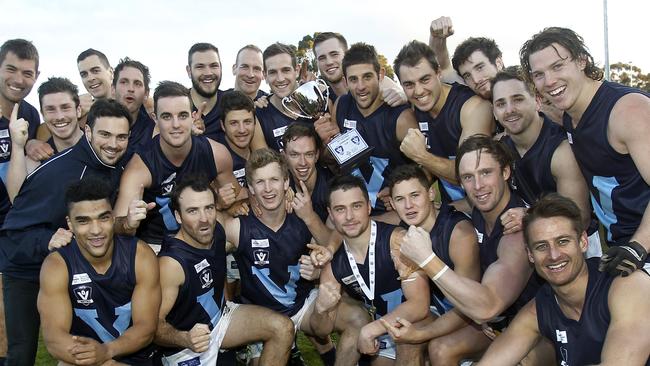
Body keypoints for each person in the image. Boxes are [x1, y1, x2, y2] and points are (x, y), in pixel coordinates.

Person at [0, 98, 131, 365]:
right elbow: (13, 230)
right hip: (26, 271)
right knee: (21, 354)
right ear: (88, 132)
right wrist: (46, 239)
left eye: (121, 137)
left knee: (86, 344)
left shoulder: (114, 163)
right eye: (105, 134)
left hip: (71, 268)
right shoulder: (61, 172)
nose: (113, 144)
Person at [395, 135, 547, 364]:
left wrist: (426, 259)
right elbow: (433, 209)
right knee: (441, 349)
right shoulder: (478, 206)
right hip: (494, 322)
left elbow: (488, 306)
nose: (478, 186)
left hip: (538, 328)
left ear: (505, 173)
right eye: (468, 177)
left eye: (486, 172)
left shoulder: (516, 232)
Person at [520, 27, 650, 276]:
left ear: (582, 60)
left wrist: (637, 247)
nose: (549, 81)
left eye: (558, 66)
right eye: (539, 74)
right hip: (623, 248)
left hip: (639, 251)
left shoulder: (628, 110)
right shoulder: (571, 115)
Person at [477, 194, 650, 365]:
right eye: (542, 246)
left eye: (562, 241)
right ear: (530, 254)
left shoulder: (626, 284)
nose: (554, 255)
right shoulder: (539, 309)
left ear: (582, 241)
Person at [155, 175, 294, 365]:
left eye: (209, 208)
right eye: (193, 211)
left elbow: (253, 221)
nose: (204, 219)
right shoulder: (171, 264)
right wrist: (185, 338)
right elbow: (153, 326)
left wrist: (285, 194)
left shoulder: (216, 229)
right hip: (187, 347)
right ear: (178, 216)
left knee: (283, 328)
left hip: (221, 319)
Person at [220, 148, 333, 364]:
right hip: (262, 314)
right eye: (260, 182)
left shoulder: (301, 215)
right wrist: (224, 205)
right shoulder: (240, 225)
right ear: (250, 187)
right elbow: (204, 229)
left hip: (301, 304)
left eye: (274, 180)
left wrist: (319, 266)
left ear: (285, 183)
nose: (268, 188)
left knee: (356, 318)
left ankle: (330, 355)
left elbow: (332, 247)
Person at [38, 176, 160, 365]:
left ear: (112, 218)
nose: (96, 230)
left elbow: (146, 328)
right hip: (82, 358)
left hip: (134, 358)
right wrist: (97, 359)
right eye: (84, 221)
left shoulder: (139, 255)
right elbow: (54, 338)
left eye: (103, 218)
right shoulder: (57, 265)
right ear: (70, 224)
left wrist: (106, 351)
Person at [310, 175, 429, 365]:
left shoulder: (396, 241)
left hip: (417, 325)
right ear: (330, 214)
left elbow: (420, 305)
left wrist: (371, 329)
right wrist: (321, 309)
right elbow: (321, 330)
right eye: (340, 209)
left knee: (406, 338)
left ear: (368, 207)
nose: (349, 217)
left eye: (356, 206)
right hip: (382, 331)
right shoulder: (333, 268)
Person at [113, 81, 243, 250]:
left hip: (202, 232)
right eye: (167, 116)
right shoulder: (140, 168)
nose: (176, 125)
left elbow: (239, 197)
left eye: (182, 115)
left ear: (193, 116)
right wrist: (128, 223)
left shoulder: (216, 153)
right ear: (155, 119)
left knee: (241, 227)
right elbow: (115, 224)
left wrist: (236, 201)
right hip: (158, 242)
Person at [491, 69, 600, 257]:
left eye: (518, 99)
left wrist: (528, 215)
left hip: (577, 246)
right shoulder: (501, 148)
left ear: (537, 101)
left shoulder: (561, 150)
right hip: (533, 241)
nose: (509, 110)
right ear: (494, 112)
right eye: (501, 103)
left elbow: (579, 216)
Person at [380, 165, 481, 354]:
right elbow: (358, 224)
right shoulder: (402, 223)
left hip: (477, 319)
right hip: (439, 311)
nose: (409, 205)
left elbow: (469, 305)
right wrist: (328, 249)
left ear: (431, 194)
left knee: (439, 350)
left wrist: (423, 334)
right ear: (393, 204)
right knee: (403, 339)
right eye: (400, 199)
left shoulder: (459, 233)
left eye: (415, 195)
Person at [314, 42, 419, 219]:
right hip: (353, 210)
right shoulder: (341, 105)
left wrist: (399, 189)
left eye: (367, 77)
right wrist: (326, 146)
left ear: (380, 75)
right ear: (346, 81)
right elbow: (334, 162)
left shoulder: (401, 117)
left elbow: (427, 168)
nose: (360, 86)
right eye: (354, 79)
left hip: (392, 212)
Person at [393, 40, 494, 204]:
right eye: (409, 84)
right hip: (455, 208)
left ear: (438, 73)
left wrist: (421, 155)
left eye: (425, 79)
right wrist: (401, 189)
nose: (418, 91)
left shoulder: (473, 107)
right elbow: (432, 167)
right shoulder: (416, 107)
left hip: (485, 206)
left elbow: (470, 174)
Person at [6, 77, 84, 202]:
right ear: (42, 114)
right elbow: (18, 200)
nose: (59, 116)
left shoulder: (99, 145)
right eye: (51, 109)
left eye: (65, 107)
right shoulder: (37, 159)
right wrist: (17, 145)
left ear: (78, 110)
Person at [312, 32, 406, 106]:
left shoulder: (379, 83)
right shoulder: (323, 98)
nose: (329, 62)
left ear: (346, 54)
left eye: (334, 54)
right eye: (322, 58)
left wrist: (403, 96)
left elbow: (401, 94)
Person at [256, 42, 311, 152]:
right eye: (272, 72)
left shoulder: (319, 101)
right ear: (265, 76)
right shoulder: (259, 115)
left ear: (296, 70)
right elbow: (265, 164)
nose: (280, 78)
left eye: (286, 70)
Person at [282, 123, 332, 222]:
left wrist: (309, 216)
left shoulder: (332, 188)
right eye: (295, 155)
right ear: (284, 157)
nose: (303, 162)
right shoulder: (280, 185)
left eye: (309, 154)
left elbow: (334, 237)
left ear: (317, 155)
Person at [112, 57, 155, 156]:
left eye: (137, 83)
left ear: (146, 94)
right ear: (113, 89)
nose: (130, 89)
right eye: (124, 82)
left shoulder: (154, 132)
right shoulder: (96, 124)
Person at [186, 42, 227, 141]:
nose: (208, 73)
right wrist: (185, 135)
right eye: (200, 67)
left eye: (213, 66)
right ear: (189, 71)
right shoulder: (176, 107)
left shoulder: (232, 103)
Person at [76, 48, 114, 128]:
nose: (90, 78)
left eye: (95, 71)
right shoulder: (81, 115)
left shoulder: (134, 106)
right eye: (84, 74)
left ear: (111, 72)